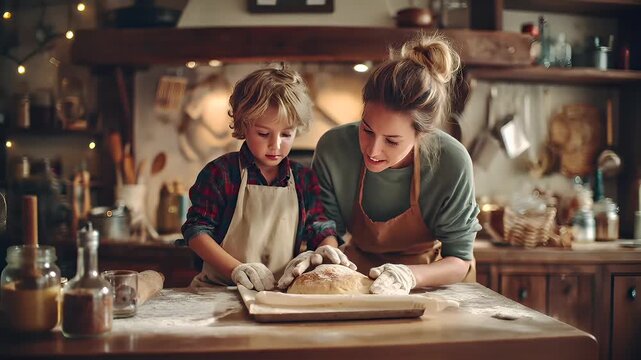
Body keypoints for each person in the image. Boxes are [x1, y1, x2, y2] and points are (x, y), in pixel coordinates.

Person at [279, 34, 481, 295]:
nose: (373, 150)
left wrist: (408, 276)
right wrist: (323, 253)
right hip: (357, 273)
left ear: (422, 134)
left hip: (433, 280)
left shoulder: (452, 161)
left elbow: (460, 260)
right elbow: (327, 226)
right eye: (367, 130)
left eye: (392, 141)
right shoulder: (334, 148)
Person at [182, 67, 354, 290]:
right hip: (218, 291)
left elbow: (320, 228)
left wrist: (326, 249)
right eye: (263, 134)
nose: (275, 145)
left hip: (278, 293)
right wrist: (236, 269)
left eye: (286, 134)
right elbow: (196, 232)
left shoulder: (303, 179)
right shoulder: (221, 173)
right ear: (244, 125)